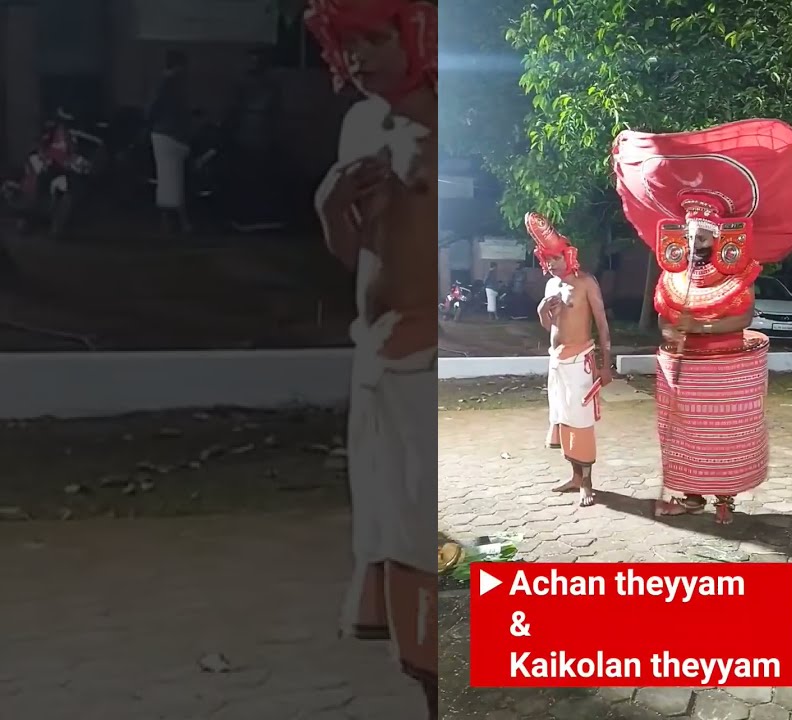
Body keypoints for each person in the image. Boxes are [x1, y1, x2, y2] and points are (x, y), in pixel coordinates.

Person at [304, 0, 437, 716]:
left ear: (415, 35)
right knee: (395, 551)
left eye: (377, 40)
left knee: (433, 548)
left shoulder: (458, 124)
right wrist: (330, 209)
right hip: (376, 362)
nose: (358, 58)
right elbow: (357, 256)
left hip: (434, 368)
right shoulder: (358, 125)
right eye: (347, 44)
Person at [612, 119, 792, 525]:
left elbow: (741, 317)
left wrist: (700, 329)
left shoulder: (740, 275)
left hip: (725, 371)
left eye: (703, 239)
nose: (695, 246)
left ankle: (725, 498)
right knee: (685, 436)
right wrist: (676, 331)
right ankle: (690, 497)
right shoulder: (672, 278)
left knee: (721, 438)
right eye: (690, 239)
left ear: (720, 238)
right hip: (683, 373)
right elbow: (666, 324)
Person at [527, 212, 612, 508]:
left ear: (568, 255)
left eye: (555, 259)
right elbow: (550, 328)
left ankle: (588, 483)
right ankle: (575, 477)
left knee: (581, 420)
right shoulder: (551, 286)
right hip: (557, 362)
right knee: (563, 419)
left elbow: (601, 324)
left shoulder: (586, 282)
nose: (551, 265)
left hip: (581, 362)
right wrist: (541, 310)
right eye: (546, 260)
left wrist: (606, 363)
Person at [224, 47, 284, 232]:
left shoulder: (260, 84)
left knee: (255, 174)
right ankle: (248, 215)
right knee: (250, 174)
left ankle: (251, 215)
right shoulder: (257, 84)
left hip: (255, 133)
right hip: (251, 132)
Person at [147, 50, 193, 236]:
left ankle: (170, 223)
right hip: (170, 135)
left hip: (163, 135)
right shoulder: (170, 84)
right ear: (179, 66)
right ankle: (181, 223)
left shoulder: (164, 83)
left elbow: (150, 110)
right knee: (173, 183)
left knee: (168, 182)